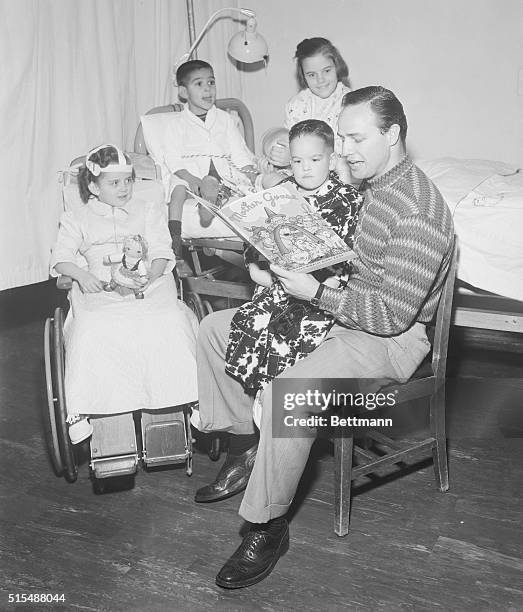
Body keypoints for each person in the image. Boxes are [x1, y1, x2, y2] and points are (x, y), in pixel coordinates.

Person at [194, 86, 454, 589]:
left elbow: (388, 317)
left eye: (357, 139)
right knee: (214, 331)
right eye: (344, 140)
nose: (348, 151)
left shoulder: (417, 212)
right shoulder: (371, 181)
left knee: (286, 395)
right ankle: (246, 449)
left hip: (385, 337)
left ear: (393, 134)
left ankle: (266, 526)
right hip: (343, 307)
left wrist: (314, 291)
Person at [51, 144, 198, 443]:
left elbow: (160, 248)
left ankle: (192, 394)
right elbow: (61, 258)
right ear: (93, 186)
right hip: (98, 283)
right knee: (92, 327)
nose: (124, 188)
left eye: (128, 180)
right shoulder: (77, 217)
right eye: (114, 183)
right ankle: (82, 408)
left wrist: (154, 274)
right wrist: (82, 275)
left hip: (148, 279)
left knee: (170, 317)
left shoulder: (147, 210)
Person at [224, 119, 363, 395]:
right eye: (297, 161)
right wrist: (253, 264)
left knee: (289, 337)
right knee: (249, 320)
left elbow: (347, 256)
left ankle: (276, 404)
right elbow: (257, 233)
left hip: (318, 294)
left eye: (314, 159)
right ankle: (258, 401)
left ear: (332, 160)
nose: (306, 168)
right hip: (277, 286)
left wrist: (327, 284)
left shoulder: (347, 200)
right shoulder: (281, 192)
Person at [164, 59, 260, 273]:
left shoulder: (225, 119)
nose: (208, 89)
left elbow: (239, 151)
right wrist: (192, 180)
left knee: (236, 187)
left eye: (211, 82)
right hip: (189, 176)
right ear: (183, 91)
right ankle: (175, 248)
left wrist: (250, 172)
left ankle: (210, 200)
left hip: (222, 177)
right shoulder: (175, 124)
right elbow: (173, 159)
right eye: (199, 84)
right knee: (177, 191)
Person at [265, 38, 351, 181]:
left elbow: (348, 153)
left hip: (338, 174)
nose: (320, 80)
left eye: (327, 71)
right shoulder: (296, 105)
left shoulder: (350, 103)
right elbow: (290, 143)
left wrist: (295, 158)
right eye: (312, 75)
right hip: (303, 173)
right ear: (303, 76)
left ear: (337, 67)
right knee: (267, 179)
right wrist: (278, 158)